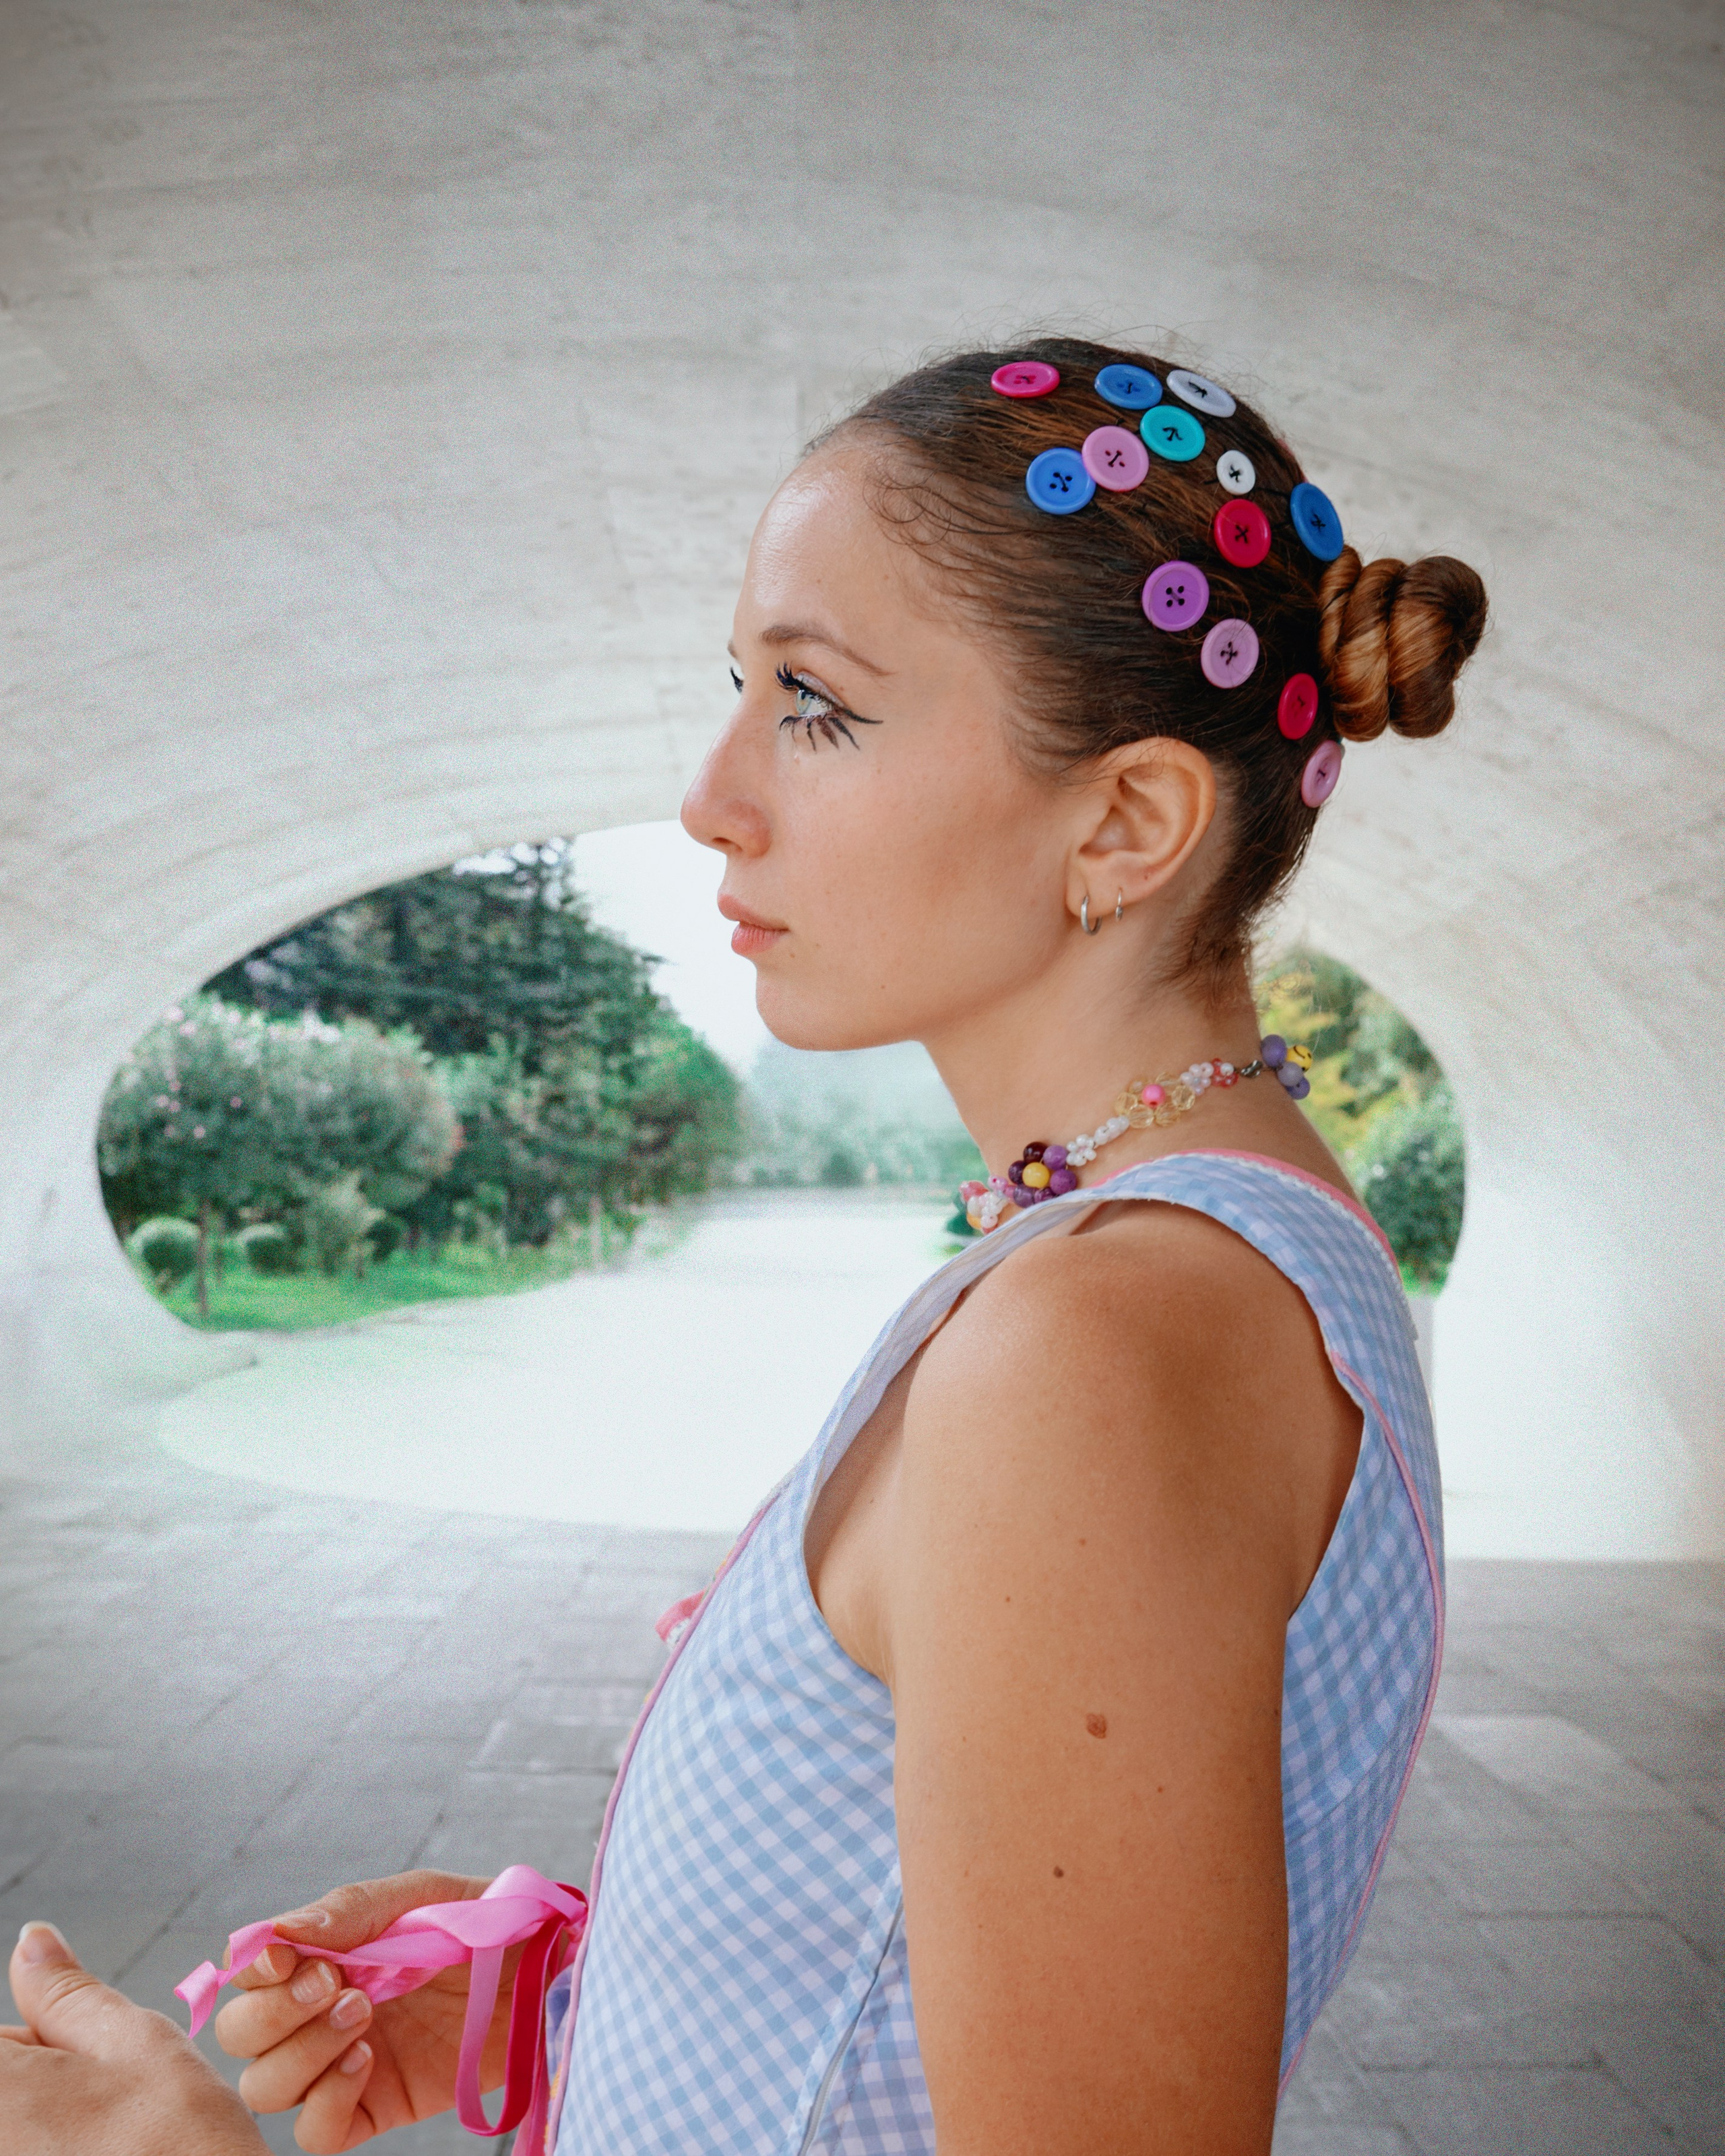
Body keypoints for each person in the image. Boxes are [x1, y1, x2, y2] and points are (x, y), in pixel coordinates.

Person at [3, 337, 1485, 2155]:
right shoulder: (1232, 1246)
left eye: (816, 704)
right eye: (743, 686)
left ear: (1125, 821)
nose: (713, 791)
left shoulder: (1094, 1341)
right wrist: (602, 1997)